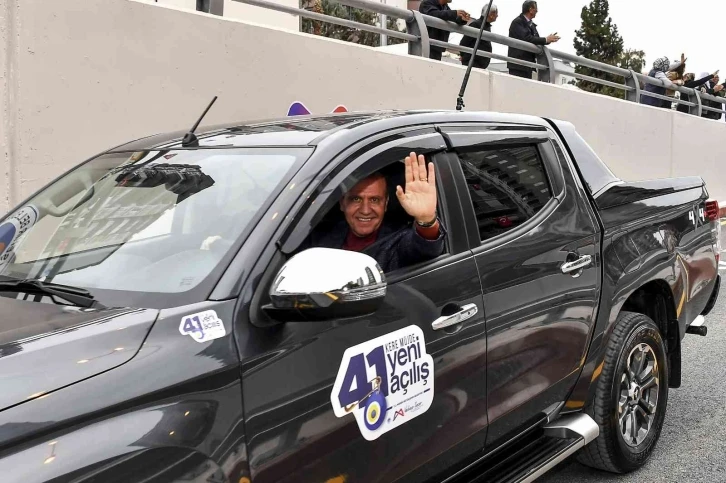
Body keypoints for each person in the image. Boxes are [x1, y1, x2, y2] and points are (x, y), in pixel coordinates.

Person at [304, 152, 446, 273]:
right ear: (342, 203)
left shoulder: (397, 241)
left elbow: (425, 248)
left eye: (374, 200)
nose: (365, 210)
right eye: (356, 199)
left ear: (385, 204)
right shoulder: (320, 237)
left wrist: (426, 219)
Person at [507, 0, 560, 79]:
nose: (537, 11)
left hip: (527, 64)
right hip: (518, 64)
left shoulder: (531, 24)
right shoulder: (518, 22)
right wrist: (545, 39)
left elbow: (536, 39)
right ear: (531, 9)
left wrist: (547, 40)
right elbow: (527, 38)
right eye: (536, 8)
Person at [459, 4, 498, 70]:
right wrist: (464, 56)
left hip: (478, 64)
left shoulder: (486, 27)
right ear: (491, 14)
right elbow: (464, 42)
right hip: (473, 62)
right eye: (496, 13)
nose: (497, 16)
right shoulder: (476, 25)